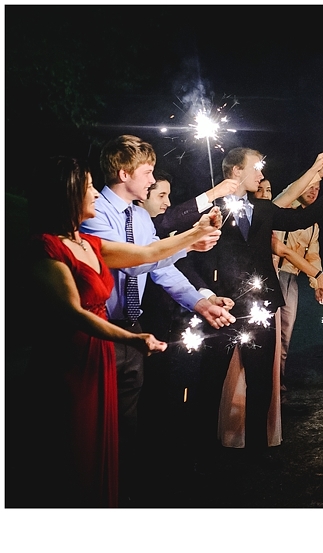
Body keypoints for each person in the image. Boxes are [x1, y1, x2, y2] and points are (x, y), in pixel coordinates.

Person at [25, 156, 221, 507]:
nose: (94, 194)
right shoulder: (48, 247)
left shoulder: (91, 244)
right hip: (75, 356)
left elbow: (147, 253)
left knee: (114, 435)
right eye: (88, 188)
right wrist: (131, 338)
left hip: (106, 347)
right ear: (67, 194)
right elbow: (75, 313)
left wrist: (194, 236)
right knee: (76, 444)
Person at [80, 135, 236, 505]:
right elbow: (135, 260)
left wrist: (200, 302)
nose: (152, 181)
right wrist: (189, 239)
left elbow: (160, 268)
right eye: (147, 172)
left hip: (133, 330)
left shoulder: (139, 216)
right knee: (95, 425)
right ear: (124, 173)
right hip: (100, 330)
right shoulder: (94, 212)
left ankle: (124, 495)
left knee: (128, 425)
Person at [184, 148, 323, 466]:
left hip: (261, 306)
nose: (261, 175)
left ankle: (256, 453)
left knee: (261, 382)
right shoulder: (211, 209)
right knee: (210, 380)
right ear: (236, 171)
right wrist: (206, 294)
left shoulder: (262, 208)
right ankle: (202, 452)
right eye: (255, 168)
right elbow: (194, 257)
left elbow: (300, 218)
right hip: (221, 307)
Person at [272, 173, 323, 395]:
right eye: (310, 186)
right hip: (273, 273)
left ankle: (278, 382)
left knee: (285, 334)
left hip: (292, 279)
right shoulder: (284, 207)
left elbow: (313, 256)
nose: (314, 191)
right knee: (269, 331)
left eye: (318, 188)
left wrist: (318, 285)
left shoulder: (313, 225)